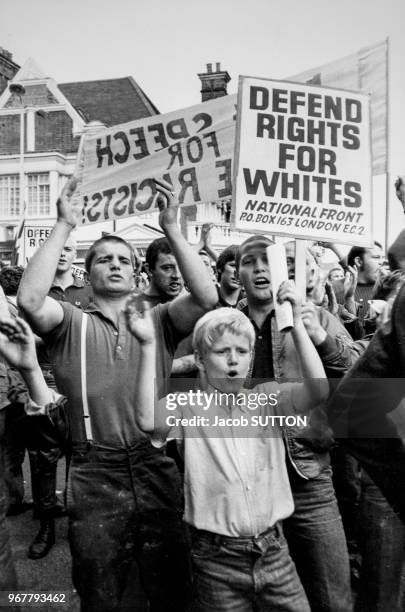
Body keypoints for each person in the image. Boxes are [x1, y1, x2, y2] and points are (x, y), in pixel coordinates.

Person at [17, 177, 218, 611]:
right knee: (101, 587)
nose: (114, 265)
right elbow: (30, 300)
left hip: (155, 462)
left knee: (171, 586)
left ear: (135, 272)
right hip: (94, 468)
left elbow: (206, 297)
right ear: (87, 275)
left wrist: (173, 231)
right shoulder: (71, 321)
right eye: (103, 259)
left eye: (123, 260)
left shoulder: (160, 317)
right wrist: (64, 224)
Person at [127, 295, 329, 611]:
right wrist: (148, 346)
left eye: (242, 351)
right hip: (215, 558)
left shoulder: (267, 399)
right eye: (222, 352)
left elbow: (318, 390)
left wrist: (299, 330)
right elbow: (145, 419)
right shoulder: (188, 406)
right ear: (200, 360)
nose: (234, 359)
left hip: (275, 551)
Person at [236, 235, 362, 611]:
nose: (259, 268)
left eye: (266, 260)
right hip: (248, 482)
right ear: (237, 272)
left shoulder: (314, 315)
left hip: (308, 475)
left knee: (331, 594)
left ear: (283, 271)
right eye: (248, 261)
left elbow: (361, 374)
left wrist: (320, 334)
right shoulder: (224, 323)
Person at [142, 237, 183, 306]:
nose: (177, 275)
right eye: (167, 268)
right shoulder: (134, 307)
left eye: (182, 267)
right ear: (149, 270)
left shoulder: (191, 302)